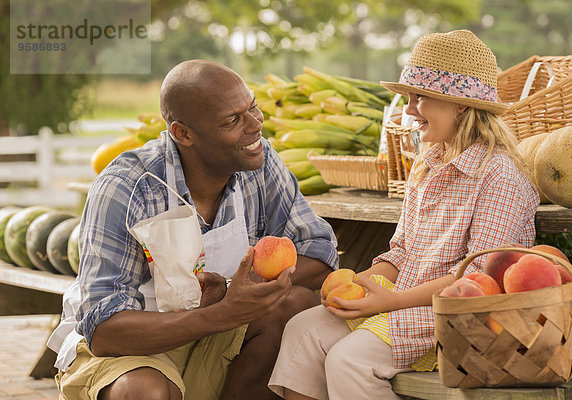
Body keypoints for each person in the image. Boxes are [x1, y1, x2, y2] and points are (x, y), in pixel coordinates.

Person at [268, 29, 540, 399]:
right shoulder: (426, 164)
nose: (409, 110)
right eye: (409, 98)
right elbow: (402, 252)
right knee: (302, 331)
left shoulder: (500, 175)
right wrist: (361, 284)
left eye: (420, 98)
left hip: (459, 315)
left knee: (350, 360)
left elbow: (479, 281)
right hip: (408, 299)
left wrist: (389, 302)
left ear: (460, 104)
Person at [47, 60, 339, 400]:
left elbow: (318, 251)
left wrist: (231, 290)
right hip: (130, 352)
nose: (255, 124)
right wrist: (221, 312)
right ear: (183, 134)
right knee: (144, 392)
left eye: (253, 107)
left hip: (212, 336)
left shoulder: (256, 160)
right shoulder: (128, 186)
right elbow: (105, 332)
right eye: (233, 120)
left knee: (294, 306)